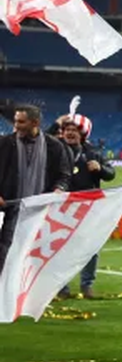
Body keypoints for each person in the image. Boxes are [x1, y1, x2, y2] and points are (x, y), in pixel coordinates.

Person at [0, 104, 71, 277]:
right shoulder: (4, 144)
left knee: (34, 257)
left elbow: (64, 174)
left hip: (40, 212)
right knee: (5, 254)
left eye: (21, 122)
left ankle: (25, 297)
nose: (16, 126)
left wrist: (59, 189)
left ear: (35, 122)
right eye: (16, 121)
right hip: (10, 211)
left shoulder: (54, 146)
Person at [55, 114, 115, 299]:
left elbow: (111, 174)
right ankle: (61, 287)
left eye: (74, 130)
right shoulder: (56, 151)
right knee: (61, 247)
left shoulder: (93, 153)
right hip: (62, 206)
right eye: (67, 130)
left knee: (91, 246)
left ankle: (87, 285)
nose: (70, 133)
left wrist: (100, 169)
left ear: (82, 134)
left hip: (89, 207)